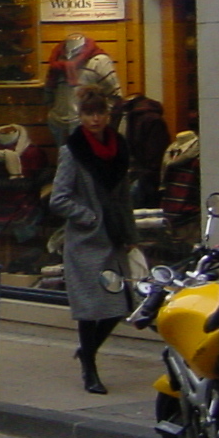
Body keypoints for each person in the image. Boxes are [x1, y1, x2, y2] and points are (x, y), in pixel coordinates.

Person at [50, 85, 136, 395]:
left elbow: (124, 197)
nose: (95, 119)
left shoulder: (120, 148)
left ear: (108, 115)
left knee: (121, 304)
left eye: (100, 113)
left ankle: (86, 352)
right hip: (86, 242)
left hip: (112, 239)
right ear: (81, 116)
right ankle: (90, 369)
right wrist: (89, 216)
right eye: (89, 114)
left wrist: (130, 235)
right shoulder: (72, 150)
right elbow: (58, 199)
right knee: (91, 309)